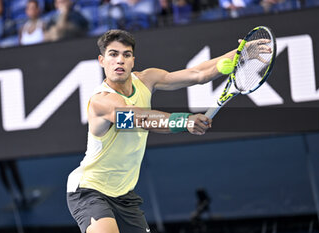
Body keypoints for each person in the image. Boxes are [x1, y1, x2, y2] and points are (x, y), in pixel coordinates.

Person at [66, 29, 271, 233]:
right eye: (113, 54)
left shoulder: (147, 79)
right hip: (89, 190)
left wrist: (240, 53)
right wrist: (184, 121)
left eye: (126, 55)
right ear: (102, 60)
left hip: (124, 194)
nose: (119, 60)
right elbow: (142, 119)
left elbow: (197, 74)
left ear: (133, 60)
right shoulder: (102, 101)